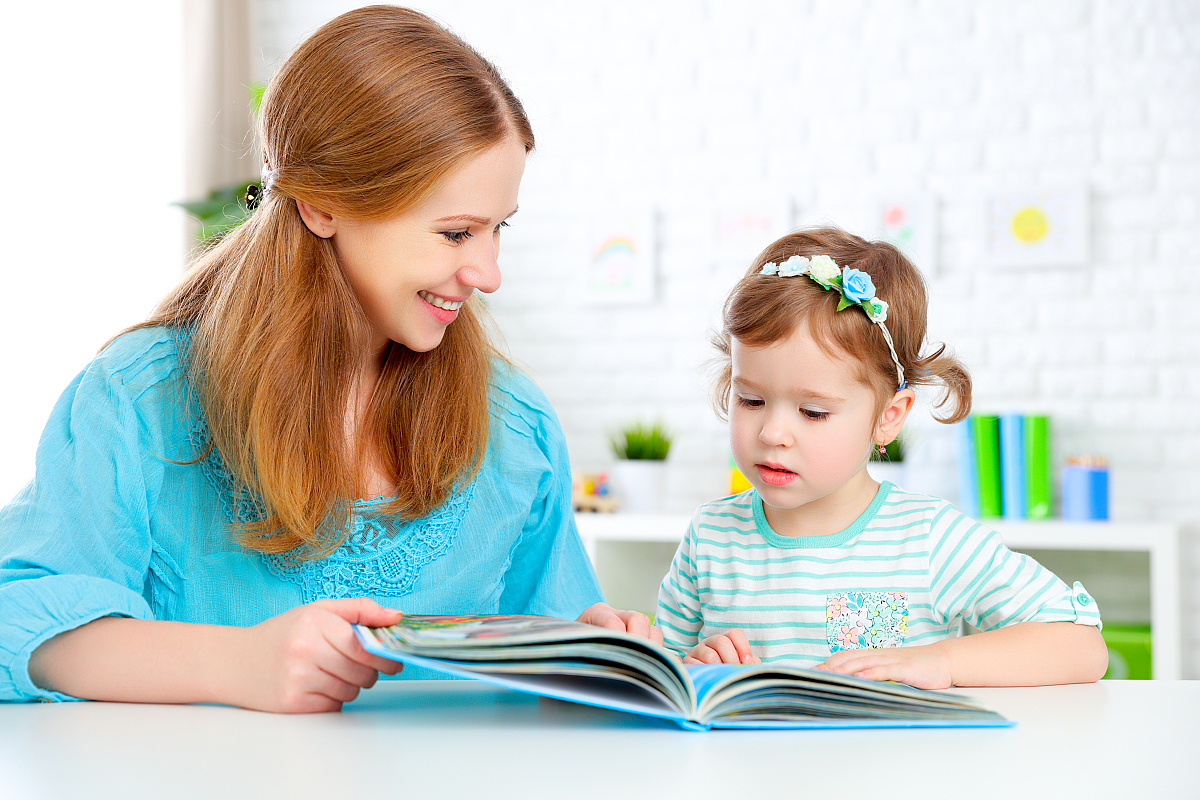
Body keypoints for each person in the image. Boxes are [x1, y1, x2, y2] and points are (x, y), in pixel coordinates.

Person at [0, 5, 656, 712]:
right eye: (456, 232)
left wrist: (596, 647)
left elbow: (549, 643)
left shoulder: (516, 427)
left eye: (499, 229)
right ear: (320, 204)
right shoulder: (138, 401)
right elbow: (23, 623)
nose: (489, 273)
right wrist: (235, 665)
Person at [655, 226, 1108, 688]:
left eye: (812, 412)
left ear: (887, 417)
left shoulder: (927, 539)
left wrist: (943, 662)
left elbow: (1081, 646)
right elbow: (658, 677)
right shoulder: (710, 538)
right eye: (750, 400)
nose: (772, 432)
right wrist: (695, 666)